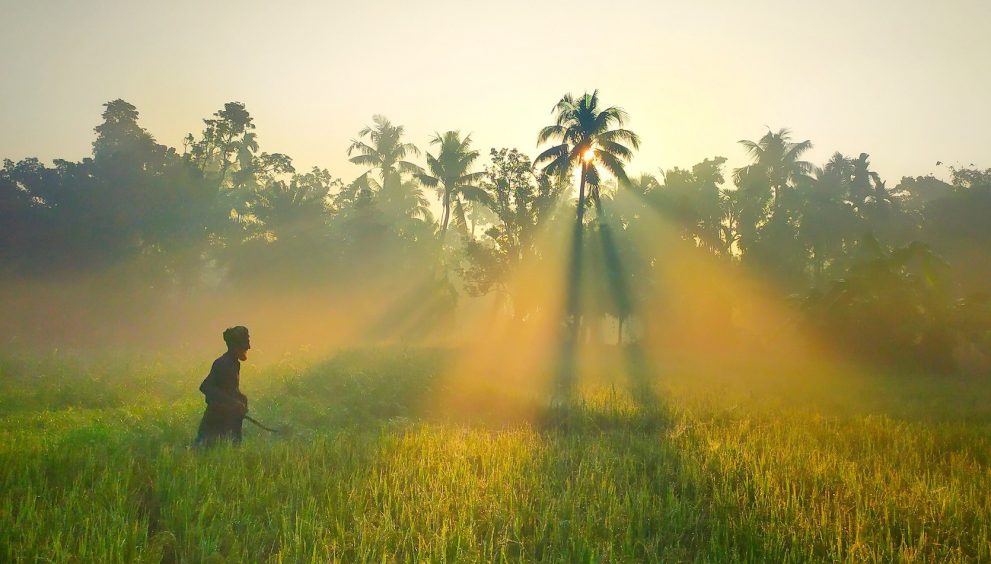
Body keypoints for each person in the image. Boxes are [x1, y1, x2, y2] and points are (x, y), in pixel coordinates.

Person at [195, 326, 251, 446]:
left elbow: (230, 389)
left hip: (229, 418)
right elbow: (205, 387)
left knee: (230, 453)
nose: (248, 348)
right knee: (204, 452)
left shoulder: (235, 364)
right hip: (215, 420)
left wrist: (241, 399)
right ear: (235, 346)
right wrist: (232, 402)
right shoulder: (222, 363)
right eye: (245, 344)